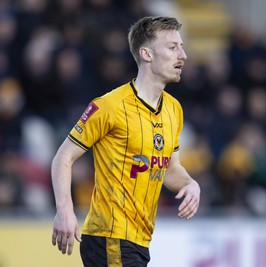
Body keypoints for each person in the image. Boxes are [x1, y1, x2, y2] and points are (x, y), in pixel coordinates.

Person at [51, 16, 201, 266]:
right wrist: (65, 210)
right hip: (110, 237)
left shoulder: (174, 110)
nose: (183, 55)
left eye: (182, 47)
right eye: (172, 47)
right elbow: (63, 157)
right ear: (147, 54)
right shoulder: (109, 106)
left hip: (138, 241)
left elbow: (169, 168)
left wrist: (190, 184)